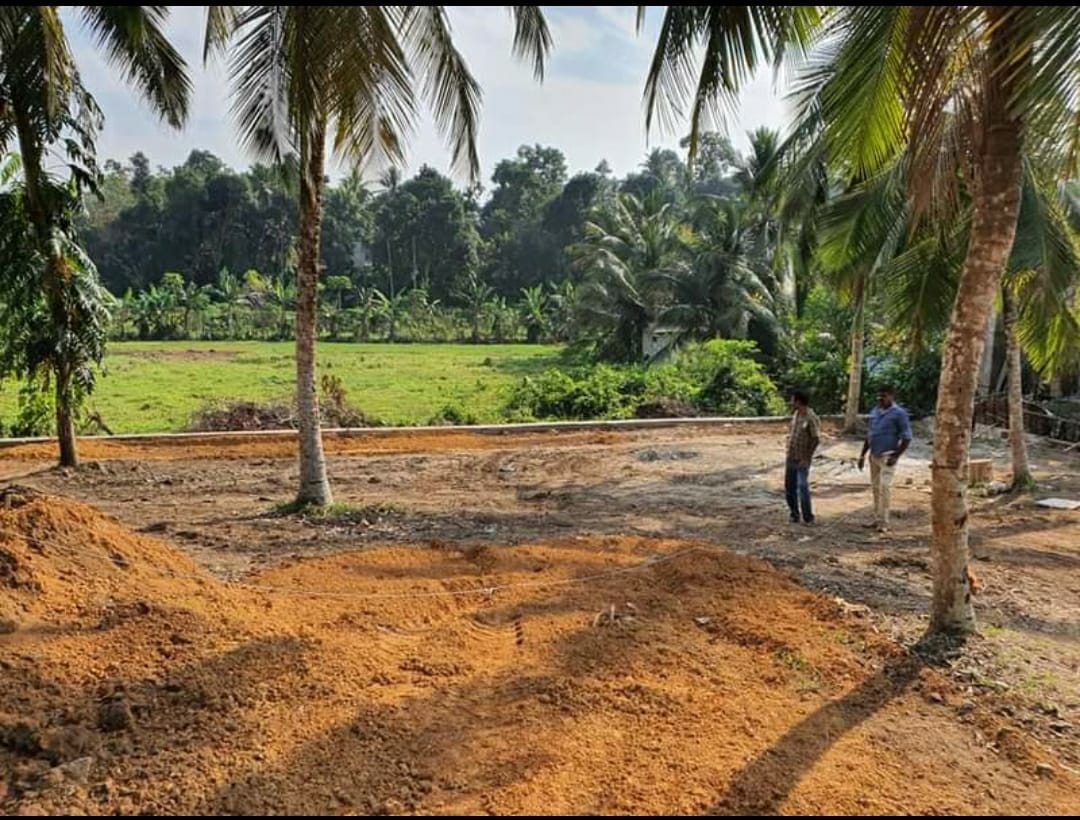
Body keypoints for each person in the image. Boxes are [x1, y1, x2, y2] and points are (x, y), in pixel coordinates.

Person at [858, 386, 913, 532]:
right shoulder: (874, 412)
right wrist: (862, 455)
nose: (880, 399)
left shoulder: (899, 414)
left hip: (888, 455)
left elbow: (907, 437)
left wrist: (896, 455)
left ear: (891, 396)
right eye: (879, 396)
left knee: (884, 487)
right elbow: (870, 434)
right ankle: (877, 518)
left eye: (884, 396)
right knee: (876, 488)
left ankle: (884, 522)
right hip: (874, 455)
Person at [785, 389, 820, 525]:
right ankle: (794, 513)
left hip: (801, 458)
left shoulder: (811, 417)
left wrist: (807, 458)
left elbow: (816, 439)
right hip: (791, 455)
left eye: (792, 400)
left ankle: (808, 517)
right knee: (789, 487)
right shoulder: (796, 415)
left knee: (802, 486)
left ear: (798, 401)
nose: (791, 402)